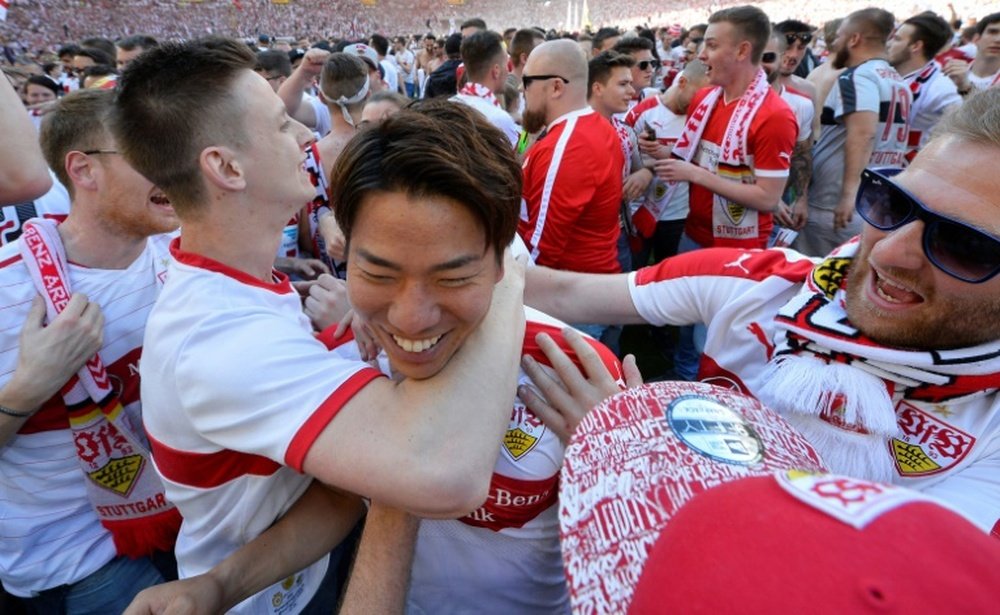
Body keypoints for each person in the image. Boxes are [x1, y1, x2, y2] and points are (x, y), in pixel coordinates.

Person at [124, 99, 637, 615]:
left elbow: (636, 557)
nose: (411, 319)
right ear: (349, 254)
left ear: (500, 263)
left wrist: (626, 455)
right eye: (380, 275)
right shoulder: (345, 357)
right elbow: (342, 497)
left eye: (453, 278)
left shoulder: (576, 376)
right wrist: (220, 585)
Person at [112, 37, 526, 613]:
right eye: (282, 125)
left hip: (280, 577)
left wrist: (222, 584)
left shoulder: (238, 288)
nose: (305, 136)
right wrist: (503, 275)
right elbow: (442, 472)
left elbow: (332, 490)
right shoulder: (221, 340)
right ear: (226, 167)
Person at [520, 86, 1000, 536]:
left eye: (963, 243)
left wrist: (637, 448)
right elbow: (561, 293)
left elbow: (828, 586)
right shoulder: (764, 283)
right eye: (893, 202)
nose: (888, 253)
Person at [0, 88, 181, 613]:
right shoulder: (10, 293)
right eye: (150, 153)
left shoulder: (183, 254)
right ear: (83, 170)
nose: (174, 168)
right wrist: (29, 388)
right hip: (80, 561)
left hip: (185, 517)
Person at [799, 8, 910, 258]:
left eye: (838, 36)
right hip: (876, 198)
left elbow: (863, 134)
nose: (833, 44)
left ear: (854, 39)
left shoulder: (858, 77)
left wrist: (849, 194)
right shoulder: (898, 79)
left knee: (814, 277)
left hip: (837, 203)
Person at [887, 12, 963, 162]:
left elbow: (960, 136)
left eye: (897, 39)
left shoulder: (942, 88)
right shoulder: (883, 73)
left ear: (916, 46)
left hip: (904, 176)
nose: (889, 44)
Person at [452, 30, 519, 148]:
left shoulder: (450, 104)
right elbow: (519, 157)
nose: (508, 71)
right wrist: (529, 134)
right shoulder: (499, 119)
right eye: (505, 65)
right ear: (496, 71)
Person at [942, 12, 1000, 95]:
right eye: (993, 32)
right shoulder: (951, 72)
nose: (998, 40)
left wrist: (966, 87)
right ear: (976, 39)